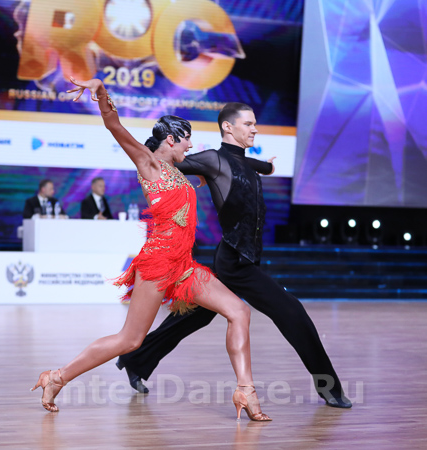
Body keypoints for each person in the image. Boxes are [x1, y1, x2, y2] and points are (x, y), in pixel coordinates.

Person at [31, 78, 271, 422]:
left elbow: (221, 170)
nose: (191, 145)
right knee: (130, 340)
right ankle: (56, 377)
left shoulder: (179, 172)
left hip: (184, 265)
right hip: (158, 262)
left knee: (239, 311)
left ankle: (246, 391)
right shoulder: (149, 163)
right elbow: (114, 125)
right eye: (186, 139)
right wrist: (100, 90)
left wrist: (263, 167)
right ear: (171, 139)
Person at [116, 102, 353, 409]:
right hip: (234, 261)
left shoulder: (245, 162)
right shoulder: (213, 160)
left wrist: (267, 166)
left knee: (193, 316)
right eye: (248, 124)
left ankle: (136, 359)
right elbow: (165, 163)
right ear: (228, 127)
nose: (255, 129)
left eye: (255, 124)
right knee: (292, 312)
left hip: (245, 257)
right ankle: (329, 387)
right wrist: (185, 167)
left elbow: (251, 165)